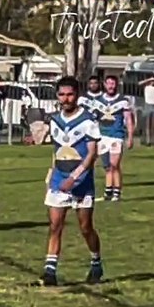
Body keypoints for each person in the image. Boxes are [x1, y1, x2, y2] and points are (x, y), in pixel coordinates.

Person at [41, 76, 103, 286]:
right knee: (55, 225)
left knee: (85, 227)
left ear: (77, 95)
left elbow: (92, 154)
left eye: (70, 94)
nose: (65, 99)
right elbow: (56, 150)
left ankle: (96, 262)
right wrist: (51, 172)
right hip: (59, 180)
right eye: (62, 95)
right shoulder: (55, 120)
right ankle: (50, 272)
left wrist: (74, 178)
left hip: (82, 183)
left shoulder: (88, 120)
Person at [88, 75, 134, 202]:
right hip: (102, 136)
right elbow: (92, 118)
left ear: (116, 84)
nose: (110, 86)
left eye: (113, 83)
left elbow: (128, 119)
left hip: (116, 136)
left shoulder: (123, 101)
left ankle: (116, 193)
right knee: (107, 166)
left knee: (115, 165)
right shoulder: (98, 101)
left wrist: (130, 137)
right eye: (108, 83)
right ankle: (108, 192)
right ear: (104, 84)